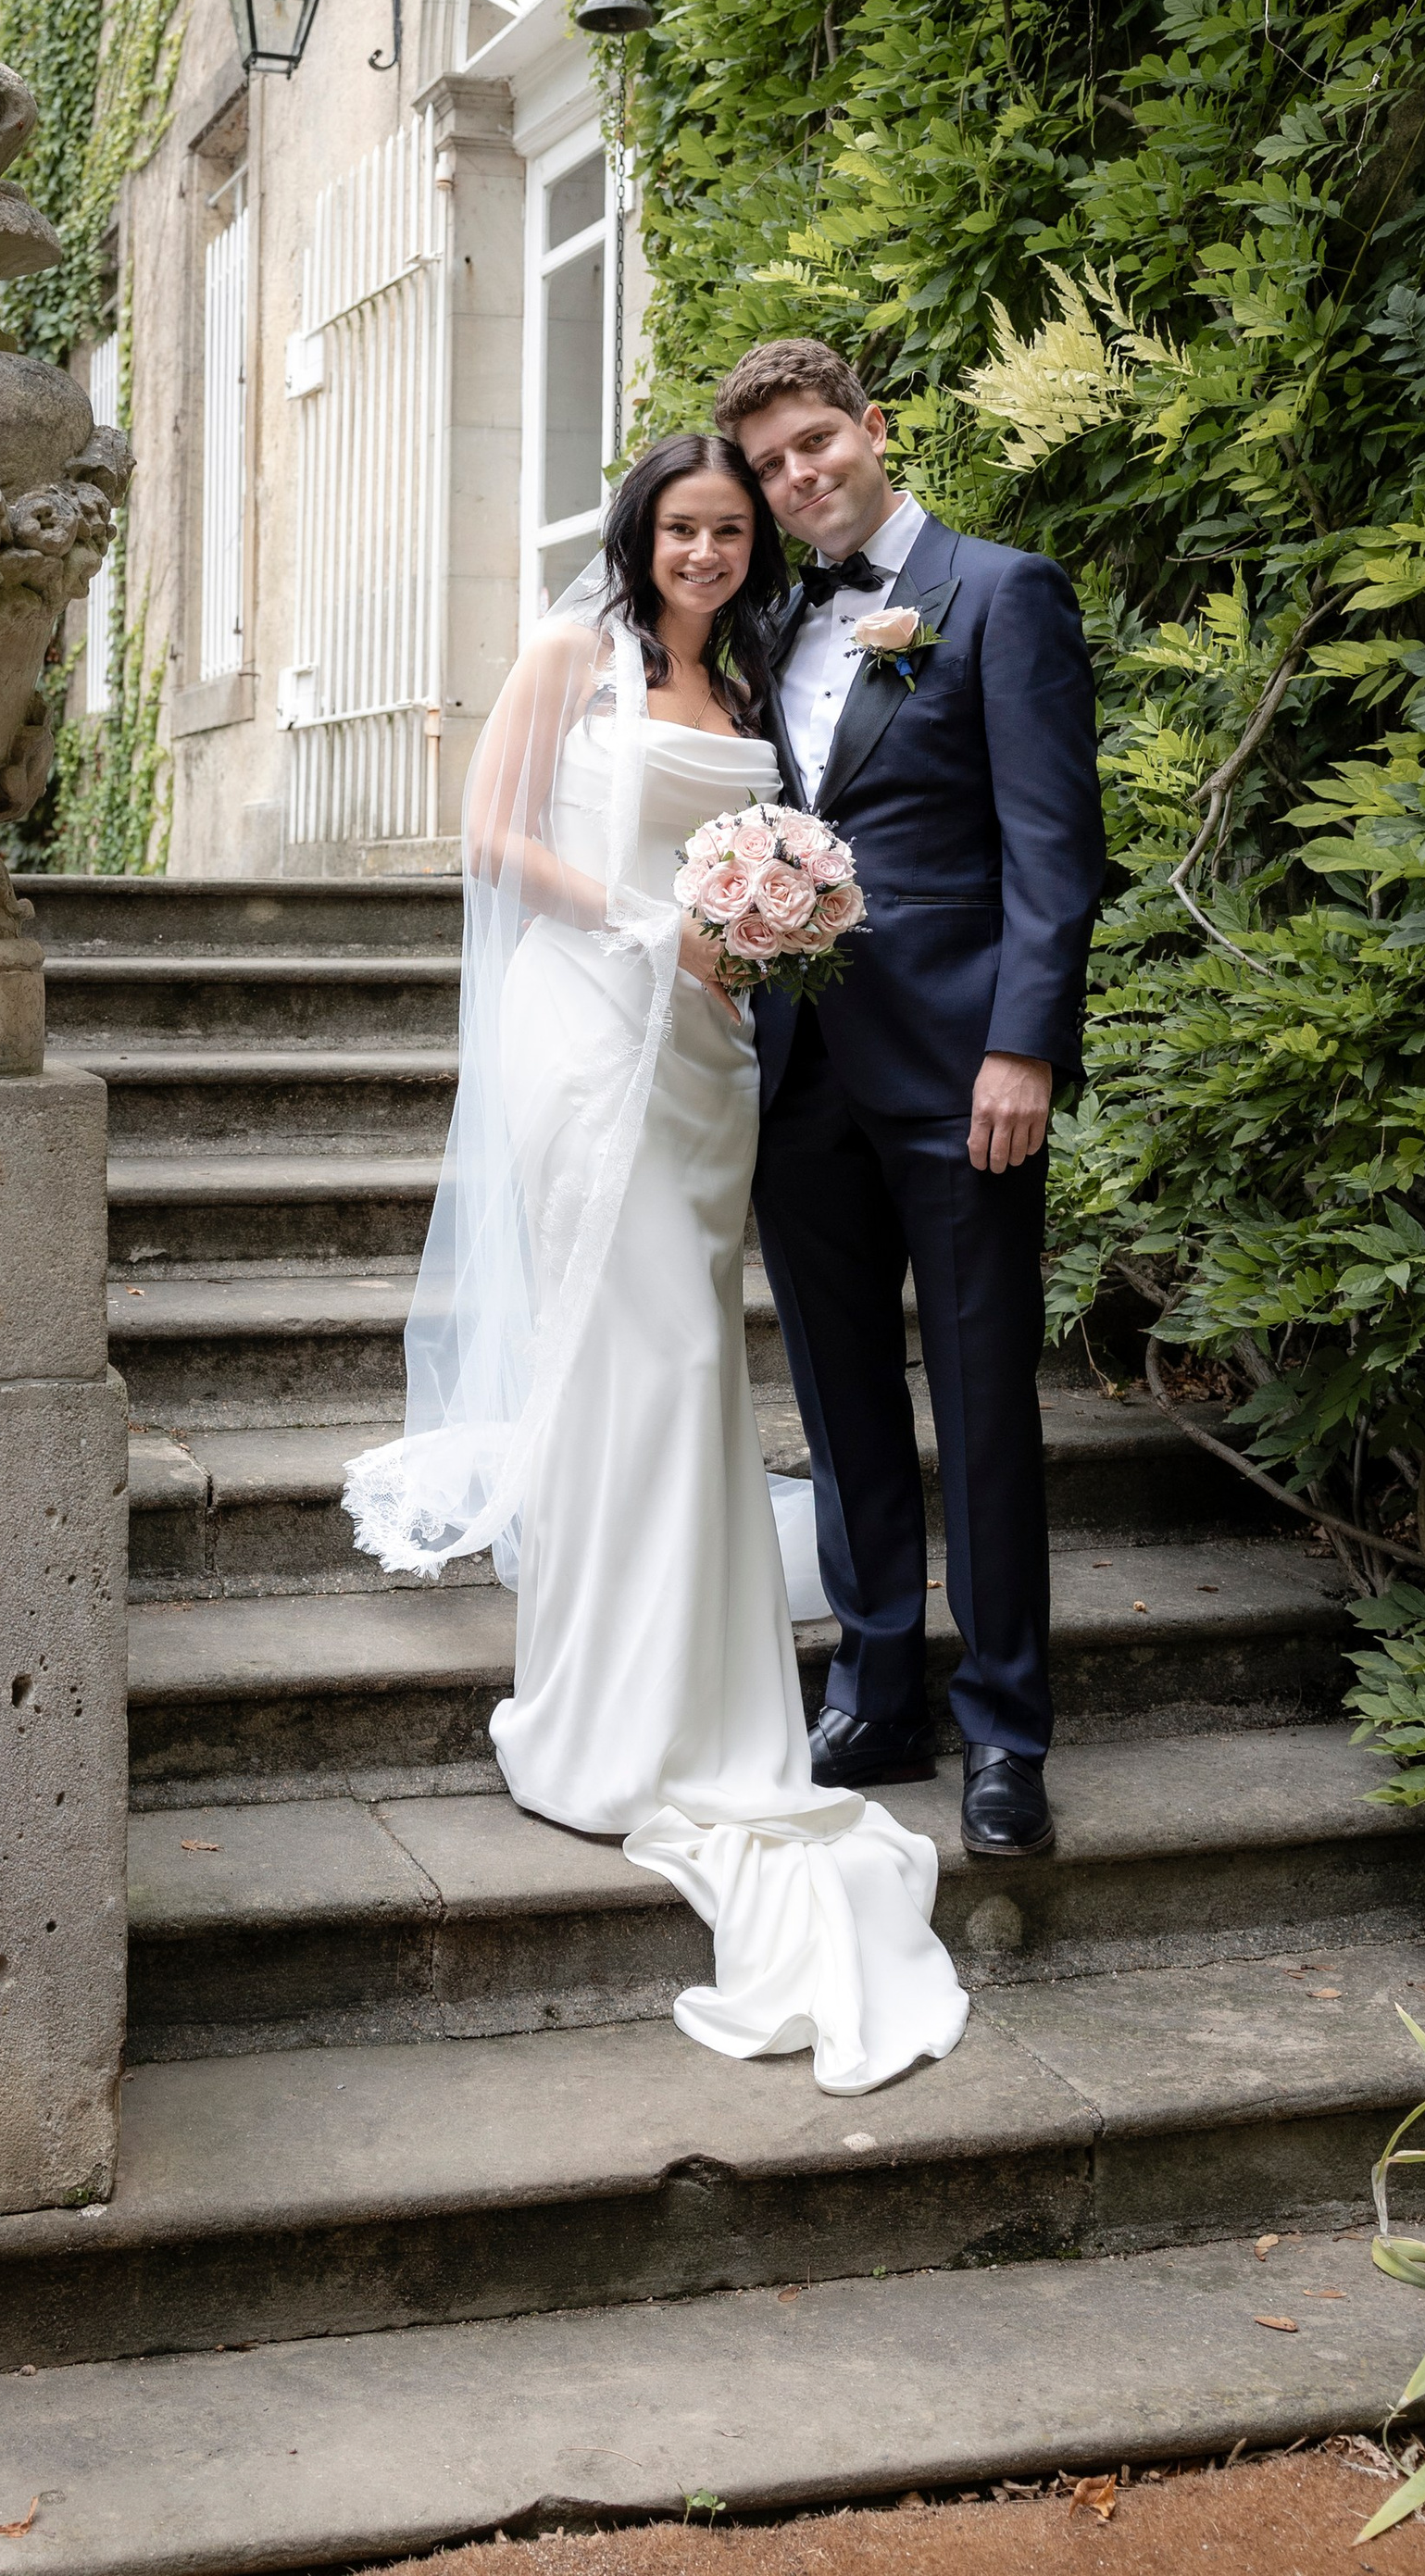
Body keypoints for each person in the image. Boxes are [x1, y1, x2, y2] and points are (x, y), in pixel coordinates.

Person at [344, 433, 969, 2095]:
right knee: (623, 1340)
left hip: (710, 1051)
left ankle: (695, 1698)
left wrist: (770, 924)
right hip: (589, 1024)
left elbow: (782, 849)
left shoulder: (755, 665)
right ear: (642, 532)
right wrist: (657, 925)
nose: (705, 549)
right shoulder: (572, 652)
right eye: (683, 525)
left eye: (729, 529)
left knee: (694, 1350)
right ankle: (604, 1709)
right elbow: (492, 834)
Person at [715, 340, 1104, 1864]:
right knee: (840, 1400)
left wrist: (1026, 1047)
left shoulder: (1001, 593)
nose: (802, 476)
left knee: (986, 1401)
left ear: (874, 431)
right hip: (798, 1077)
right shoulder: (760, 624)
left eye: (820, 443)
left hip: (962, 1078)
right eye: (772, 464)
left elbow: (1053, 850)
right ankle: (878, 1685)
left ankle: (1007, 1729)